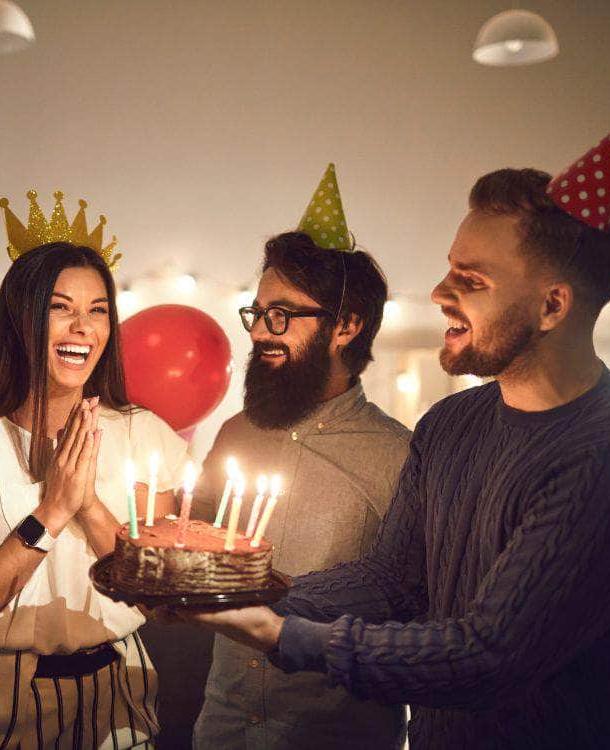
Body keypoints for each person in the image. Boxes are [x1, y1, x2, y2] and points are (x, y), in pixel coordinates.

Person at [178, 105, 610, 748]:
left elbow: (488, 655)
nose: (439, 291)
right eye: (449, 267)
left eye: (471, 278)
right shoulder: (452, 424)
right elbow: (391, 579)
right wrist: (252, 588)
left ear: (552, 306)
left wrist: (278, 632)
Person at [0, 191, 188, 748]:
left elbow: (154, 597)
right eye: (60, 307)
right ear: (21, 320)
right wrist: (51, 512)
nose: (81, 327)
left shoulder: (142, 433)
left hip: (120, 683)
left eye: (97, 310)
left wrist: (86, 504)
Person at [191, 166, 409, 749]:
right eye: (258, 313)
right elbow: (199, 550)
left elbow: (414, 607)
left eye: (282, 315)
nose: (261, 331)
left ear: (346, 325)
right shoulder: (236, 433)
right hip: (223, 725)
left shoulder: (400, 457)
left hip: (332, 736)